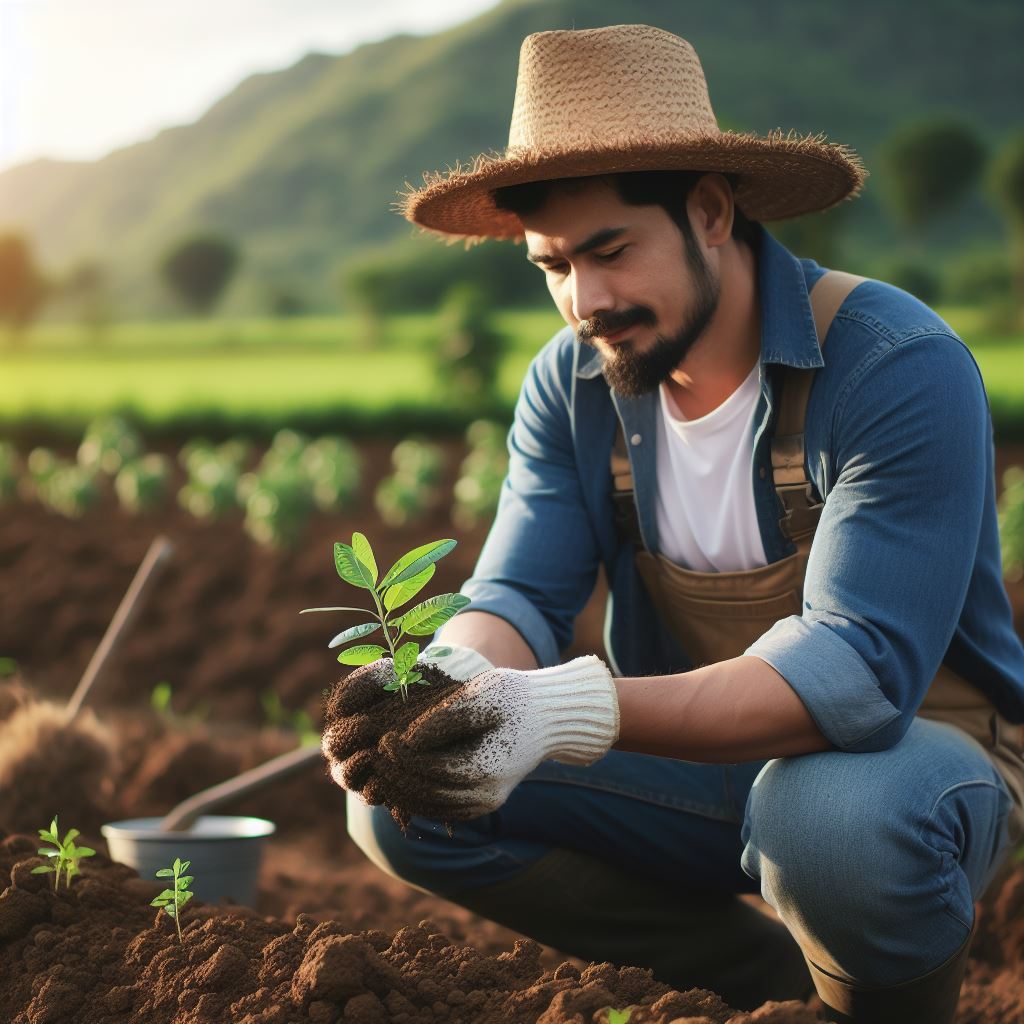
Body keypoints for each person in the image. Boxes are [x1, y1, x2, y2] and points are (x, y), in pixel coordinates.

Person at [324, 24, 1024, 1022]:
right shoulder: (572, 386)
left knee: (823, 818)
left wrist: (557, 711)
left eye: (610, 251)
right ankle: (769, 989)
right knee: (410, 797)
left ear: (706, 210)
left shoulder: (890, 363)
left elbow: (859, 670)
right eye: (553, 266)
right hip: (707, 762)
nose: (586, 300)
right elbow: (519, 591)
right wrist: (446, 682)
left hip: (914, 765)